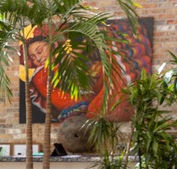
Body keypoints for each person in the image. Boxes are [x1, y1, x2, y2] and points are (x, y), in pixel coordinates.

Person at [22, 20, 152, 122]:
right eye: (33, 57)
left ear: (54, 45)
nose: (38, 58)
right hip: (73, 109)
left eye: (40, 51)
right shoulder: (40, 73)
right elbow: (70, 57)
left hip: (85, 102)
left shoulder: (61, 62)